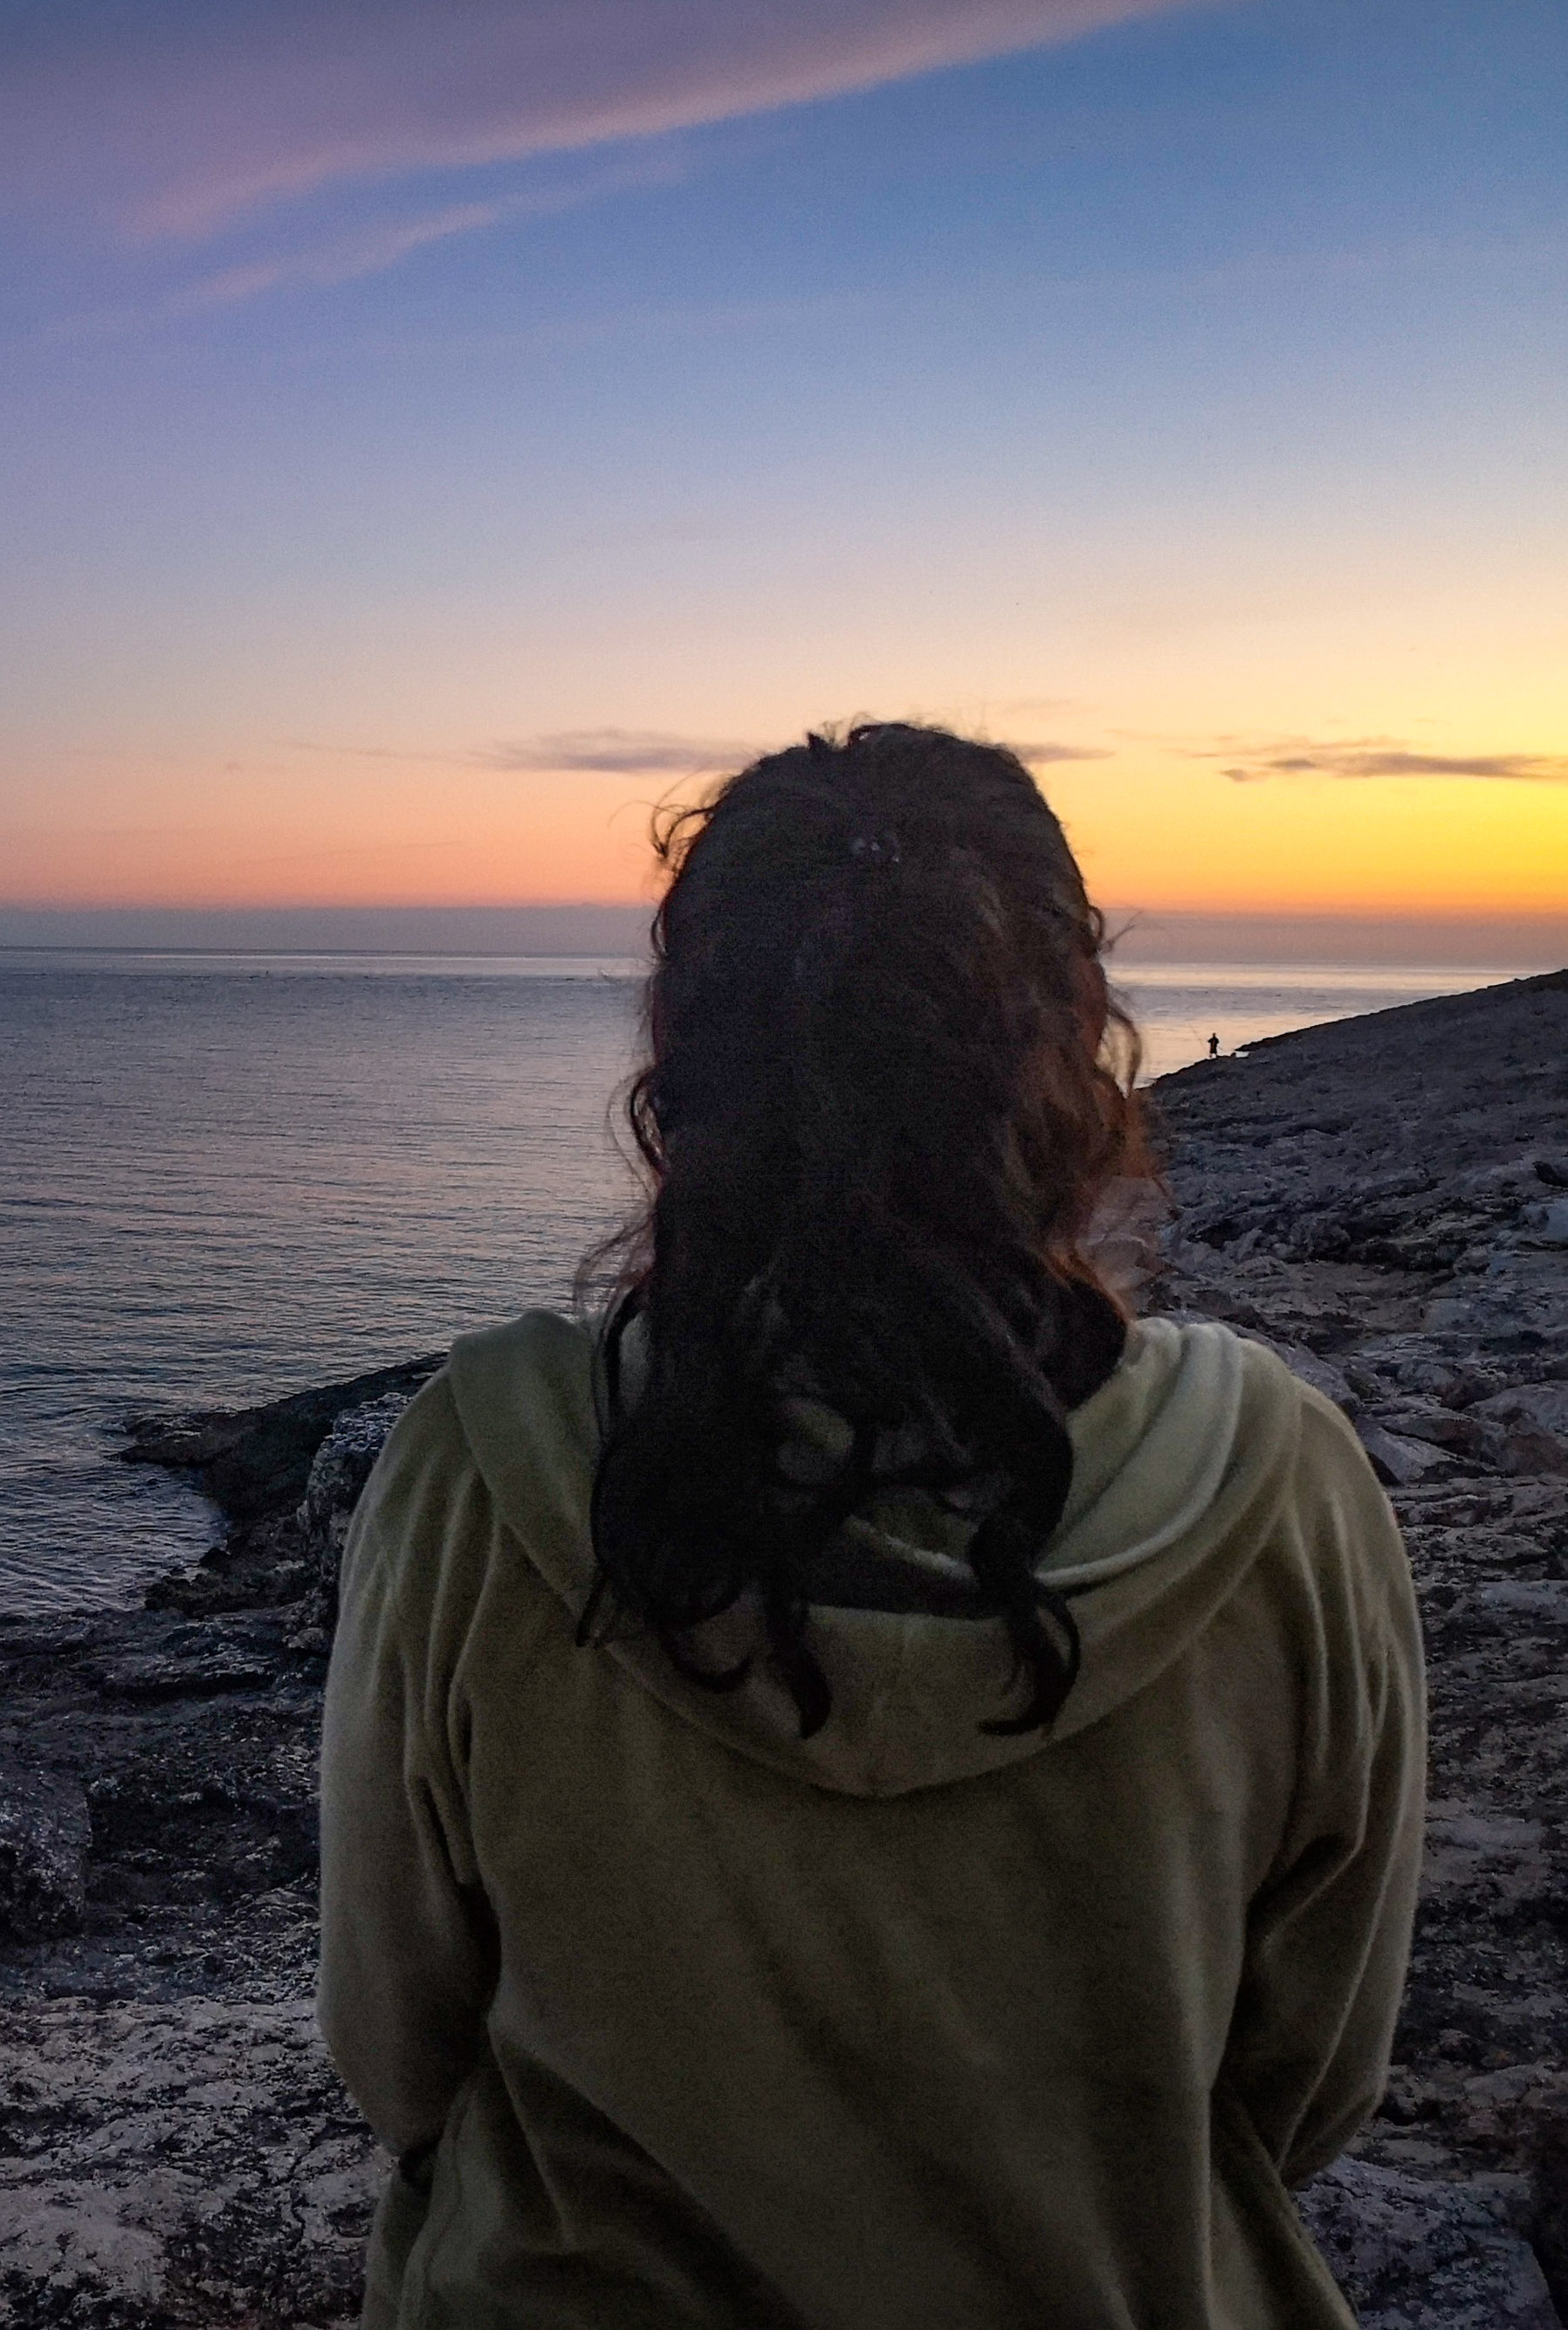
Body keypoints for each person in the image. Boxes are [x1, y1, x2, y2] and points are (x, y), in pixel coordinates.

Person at [319, 723, 1423, 2327]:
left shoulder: (482, 1465)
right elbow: (1306, 2083)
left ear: (683, 1051)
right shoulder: (1281, 1482)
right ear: (1066, 1044)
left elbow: (395, 2042)